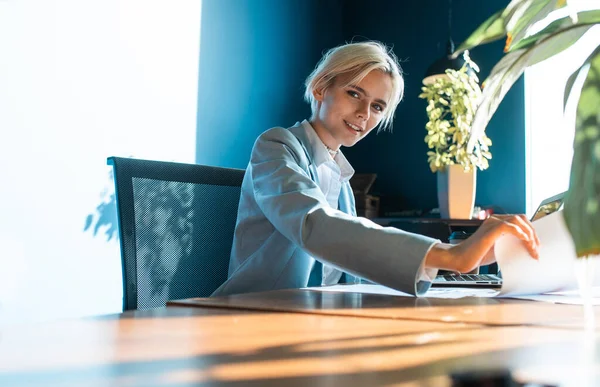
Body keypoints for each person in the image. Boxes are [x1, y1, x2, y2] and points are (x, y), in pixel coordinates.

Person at [211, 41, 540, 297]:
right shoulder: (277, 146)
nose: (364, 113)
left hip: (316, 315)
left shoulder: (341, 181)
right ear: (320, 88)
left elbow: (351, 259)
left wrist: (445, 273)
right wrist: (449, 256)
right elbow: (315, 225)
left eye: (378, 106)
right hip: (256, 312)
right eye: (354, 93)